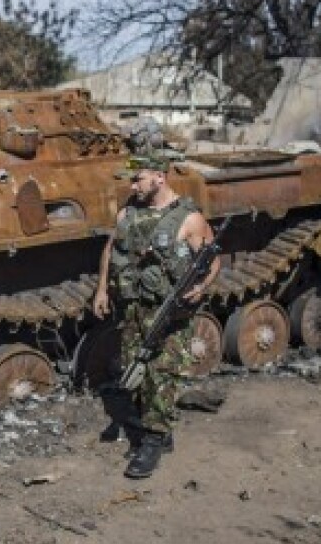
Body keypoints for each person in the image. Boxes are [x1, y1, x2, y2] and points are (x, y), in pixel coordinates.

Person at [91, 155, 220, 480]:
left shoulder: (188, 219)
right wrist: (102, 289)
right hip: (134, 307)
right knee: (136, 370)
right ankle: (157, 426)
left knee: (162, 372)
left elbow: (212, 258)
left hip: (169, 310)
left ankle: (153, 440)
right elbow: (110, 249)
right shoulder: (127, 213)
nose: (132, 186)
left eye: (139, 179)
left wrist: (201, 287)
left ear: (160, 178)